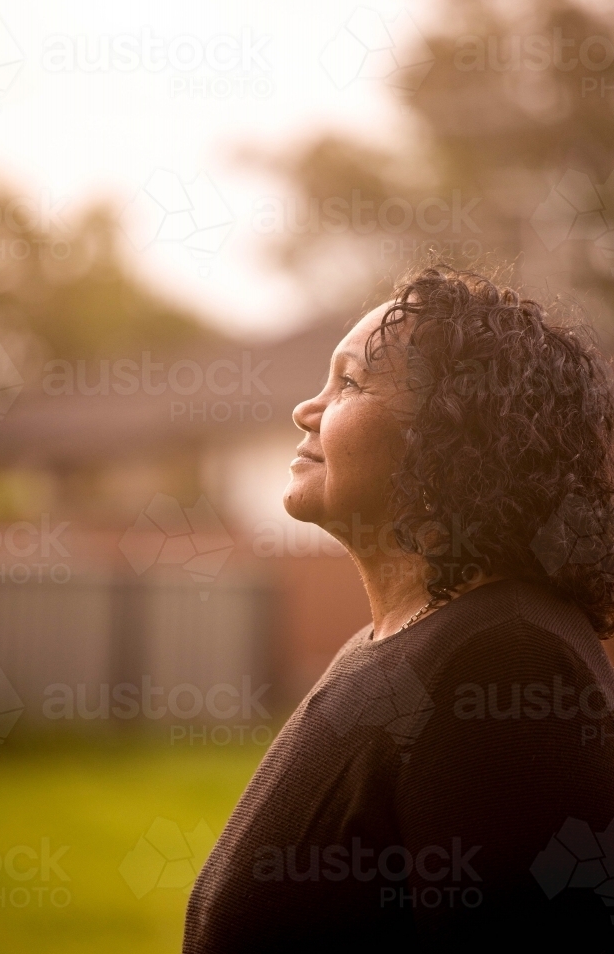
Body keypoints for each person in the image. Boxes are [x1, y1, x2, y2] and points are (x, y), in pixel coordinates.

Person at [183, 266, 614, 951]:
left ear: (453, 434)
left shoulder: (508, 666)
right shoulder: (394, 643)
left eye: (349, 382)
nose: (307, 408)